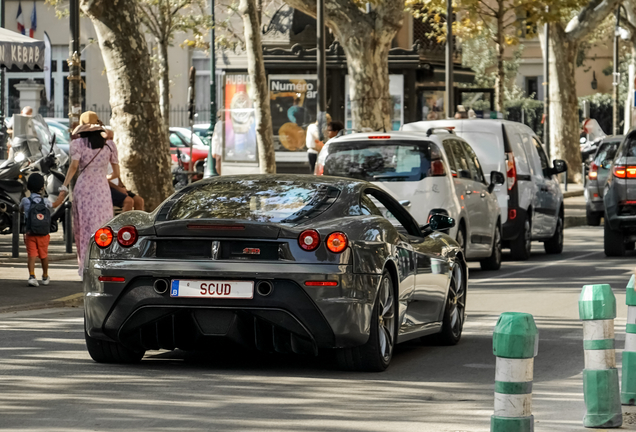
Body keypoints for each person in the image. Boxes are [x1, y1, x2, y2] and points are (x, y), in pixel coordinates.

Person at [60, 111, 119, 277]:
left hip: (83, 189)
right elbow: (116, 174)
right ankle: (104, 264)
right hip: (102, 191)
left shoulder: (77, 144)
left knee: (84, 228)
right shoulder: (110, 146)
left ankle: (85, 268)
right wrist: (101, 177)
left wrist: (64, 186)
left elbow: (73, 167)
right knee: (104, 228)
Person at [20, 173, 66, 286]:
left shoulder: (25, 201)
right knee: (44, 255)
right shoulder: (45, 201)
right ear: (42, 187)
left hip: (30, 233)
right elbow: (55, 204)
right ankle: (45, 276)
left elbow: (19, 209)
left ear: (28, 187)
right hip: (44, 234)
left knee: (31, 255)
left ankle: (32, 276)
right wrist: (62, 194)